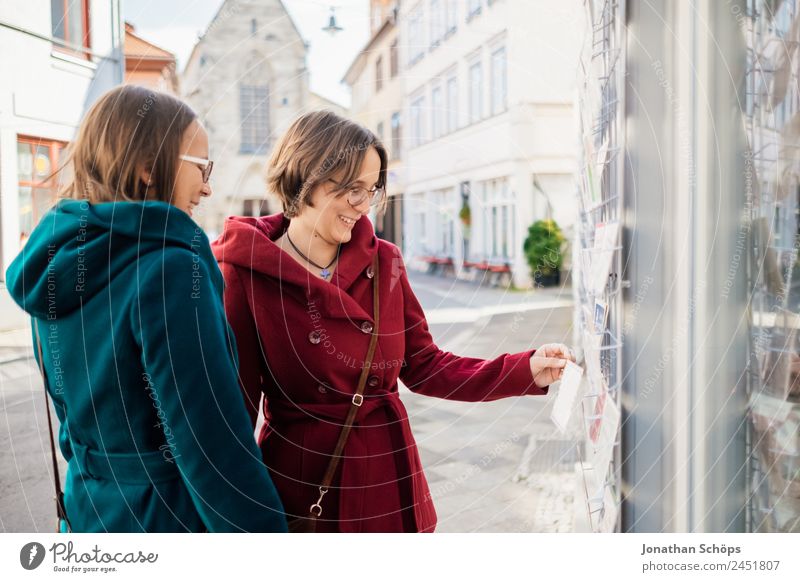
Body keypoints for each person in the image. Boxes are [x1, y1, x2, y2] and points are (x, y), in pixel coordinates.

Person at [212, 110, 575, 533]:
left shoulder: (385, 261)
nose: (363, 205)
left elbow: (425, 366)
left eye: (370, 190)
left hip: (389, 478)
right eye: (350, 189)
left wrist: (522, 369)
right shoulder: (246, 273)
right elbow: (236, 413)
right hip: (304, 487)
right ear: (305, 175)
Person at [5, 85, 287, 533]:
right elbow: (211, 446)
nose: (209, 187)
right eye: (201, 167)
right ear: (146, 170)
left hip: (89, 512)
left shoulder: (55, 262)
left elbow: (74, 426)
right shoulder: (171, 269)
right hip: (167, 519)